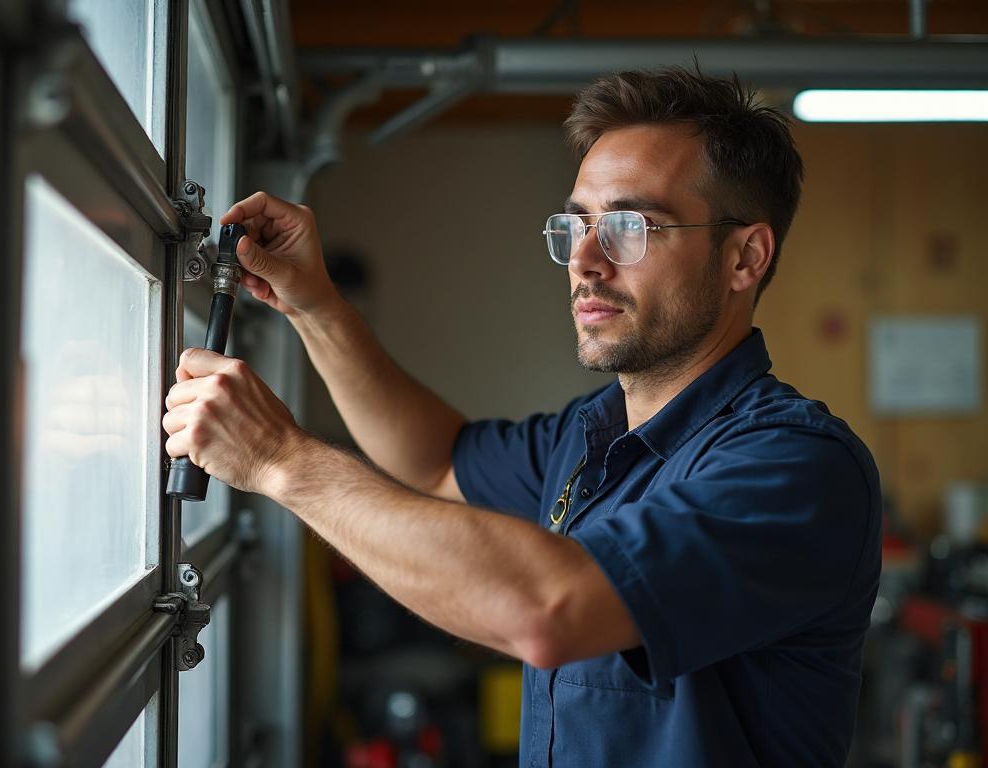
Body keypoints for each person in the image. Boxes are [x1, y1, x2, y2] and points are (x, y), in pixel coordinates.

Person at [162, 67, 881, 767]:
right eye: (576, 225)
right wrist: (312, 303)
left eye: (631, 226)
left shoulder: (795, 466)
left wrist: (282, 461)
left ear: (744, 257)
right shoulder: (590, 435)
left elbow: (549, 613)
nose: (585, 260)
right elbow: (437, 462)